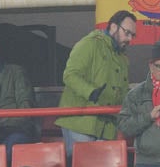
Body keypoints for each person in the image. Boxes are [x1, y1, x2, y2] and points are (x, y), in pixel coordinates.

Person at [57, 11, 134, 158]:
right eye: (127, 32)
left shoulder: (123, 58)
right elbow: (70, 75)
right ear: (113, 27)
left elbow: (122, 91)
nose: (129, 39)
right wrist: (91, 92)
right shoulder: (89, 44)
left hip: (105, 125)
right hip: (80, 122)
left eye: (132, 35)